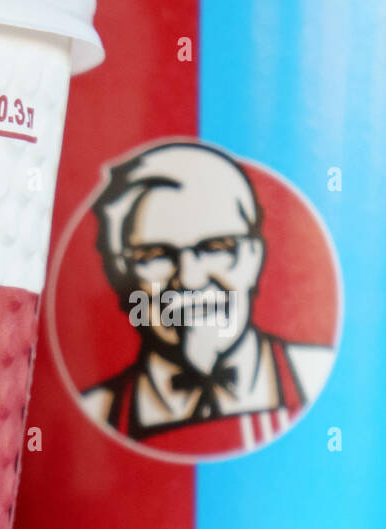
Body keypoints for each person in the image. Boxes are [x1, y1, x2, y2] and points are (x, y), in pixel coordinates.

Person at [81, 142, 334, 450]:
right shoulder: (94, 412)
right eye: (156, 255)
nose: (190, 278)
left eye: (216, 248)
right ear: (119, 274)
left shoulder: (321, 381)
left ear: (254, 258)